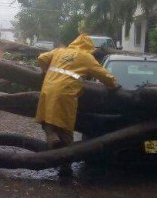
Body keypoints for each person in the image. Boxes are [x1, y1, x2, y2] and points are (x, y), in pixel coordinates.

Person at [35, 34, 120, 176]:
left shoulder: (60, 51)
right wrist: (114, 84)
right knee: (66, 128)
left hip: (48, 89)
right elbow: (102, 74)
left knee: (47, 119)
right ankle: (65, 166)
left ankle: (53, 138)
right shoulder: (86, 57)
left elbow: (41, 58)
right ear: (88, 47)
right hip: (67, 93)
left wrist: (46, 71)